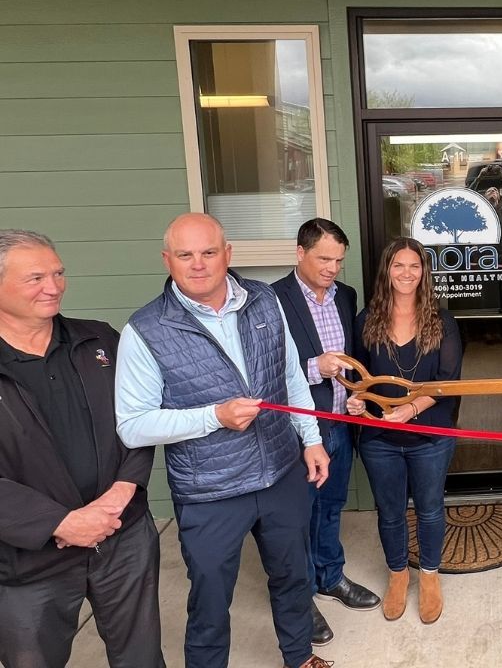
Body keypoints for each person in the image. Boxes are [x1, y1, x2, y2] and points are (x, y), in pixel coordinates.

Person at [114, 213, 332, 668]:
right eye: (185, 254)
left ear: (227, 254)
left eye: (208, 252)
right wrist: (212, 417)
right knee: (211, 599)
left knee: (293, 576)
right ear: (166, 260)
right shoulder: (146, 330)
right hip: (210, 490)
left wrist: (310, 439)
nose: (198, 264)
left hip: (280, 472)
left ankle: (300, 656)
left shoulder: (264, 299)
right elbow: (133, 424)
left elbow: (290, 374)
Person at [0, 230, 163, 668]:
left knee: (142, 657)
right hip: (28, 561)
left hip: (122, 536)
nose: (53, 287)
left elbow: (138, 422)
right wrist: (62, 522)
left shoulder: (101, 341)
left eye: (58, 273)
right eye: (35, 278)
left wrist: (123, 489)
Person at [345, 237, 461, 625]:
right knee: (390, 512)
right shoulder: (366, 320)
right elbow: (357, 379)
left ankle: (429, 576)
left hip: (430, 436)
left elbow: (447, 381)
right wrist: (357, 402)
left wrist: (409, 410)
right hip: (380, 439)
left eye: (414, 266)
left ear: (424, 272)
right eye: (398, 266)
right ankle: (398, 574)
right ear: (387, 272)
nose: (406, 273)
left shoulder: (442, 321)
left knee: (429, 510)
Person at [274, 218, 380, 646]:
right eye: (323, 258)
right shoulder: (272, 300)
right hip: (300, 430)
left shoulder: (346, 296)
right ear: (300, 253)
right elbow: (262, 374)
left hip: (340, 422)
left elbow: (353, 360)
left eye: (339, 259)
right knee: (297, 517)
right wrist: (312, 367)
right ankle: (300, 601)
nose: (332, 268)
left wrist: (357, 396)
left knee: (330, 508)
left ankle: (330, 578)